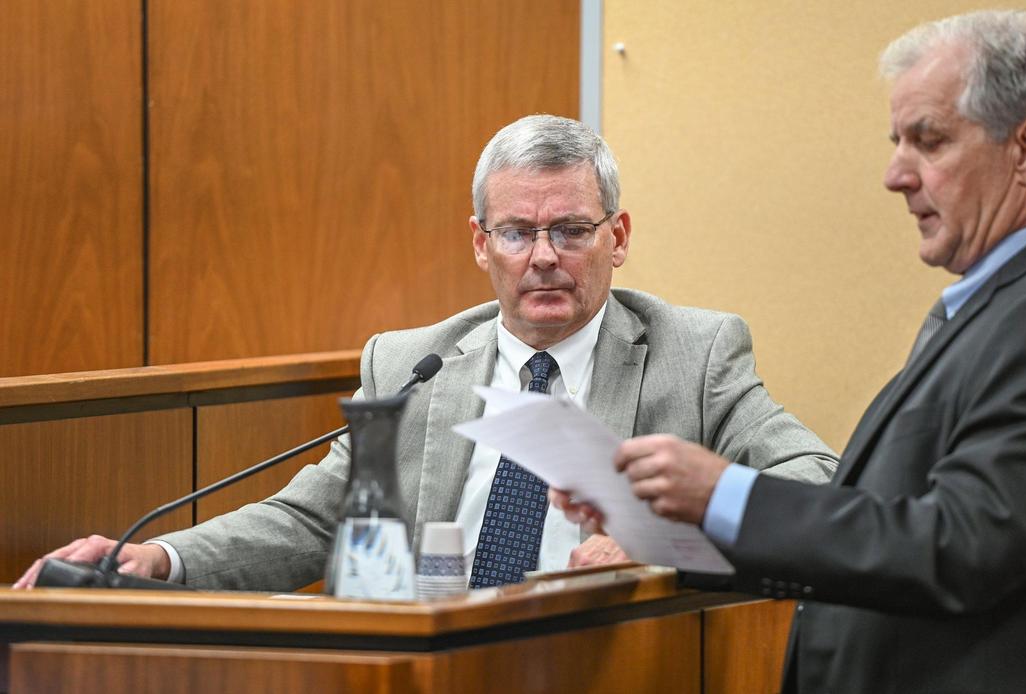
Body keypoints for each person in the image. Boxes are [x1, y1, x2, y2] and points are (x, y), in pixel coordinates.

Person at [554, 10, 1026, 693]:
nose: (896, 174)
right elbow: (871, 543)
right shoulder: (1001, 306)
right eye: (899, 142)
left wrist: (723, 492)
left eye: (929, 141)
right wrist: (665, 528)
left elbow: (954, 545)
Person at [16, 115, 837, 592]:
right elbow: (314, 516)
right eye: (517, 232)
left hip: (613, 657)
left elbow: (814, 481)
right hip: (441, 662)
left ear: (616, 239)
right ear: (482, 244)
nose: (543, 255)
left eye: (571, 230)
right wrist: (158, 557)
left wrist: (659, 539)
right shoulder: (413, 362)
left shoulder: (693, 353)